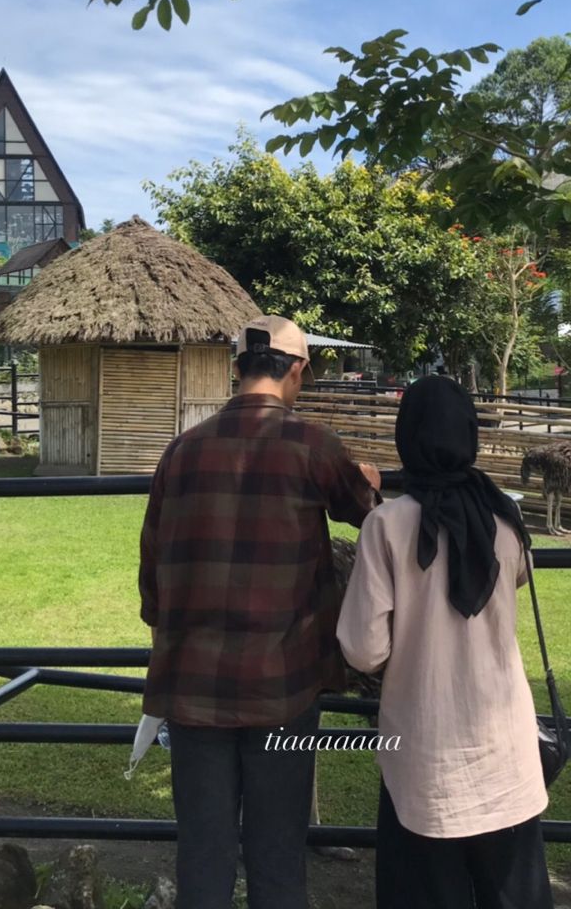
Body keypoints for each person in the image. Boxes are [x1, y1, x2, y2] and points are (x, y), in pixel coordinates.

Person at [138, 315, 381, 909]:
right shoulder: (312, 445)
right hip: (282, 688)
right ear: (297, 370)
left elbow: (152, 588)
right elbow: (369, 513)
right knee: (277, 853)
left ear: (236, 369)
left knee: (202, 851)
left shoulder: (180, 452)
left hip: (192, 687)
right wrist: (368, 481)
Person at [336, 375, 553, 909]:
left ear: (406, 436)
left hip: (424, 760)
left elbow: (364, 650)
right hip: (507, 754)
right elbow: (518, 575)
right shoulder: (506, 519)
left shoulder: (386, 527)